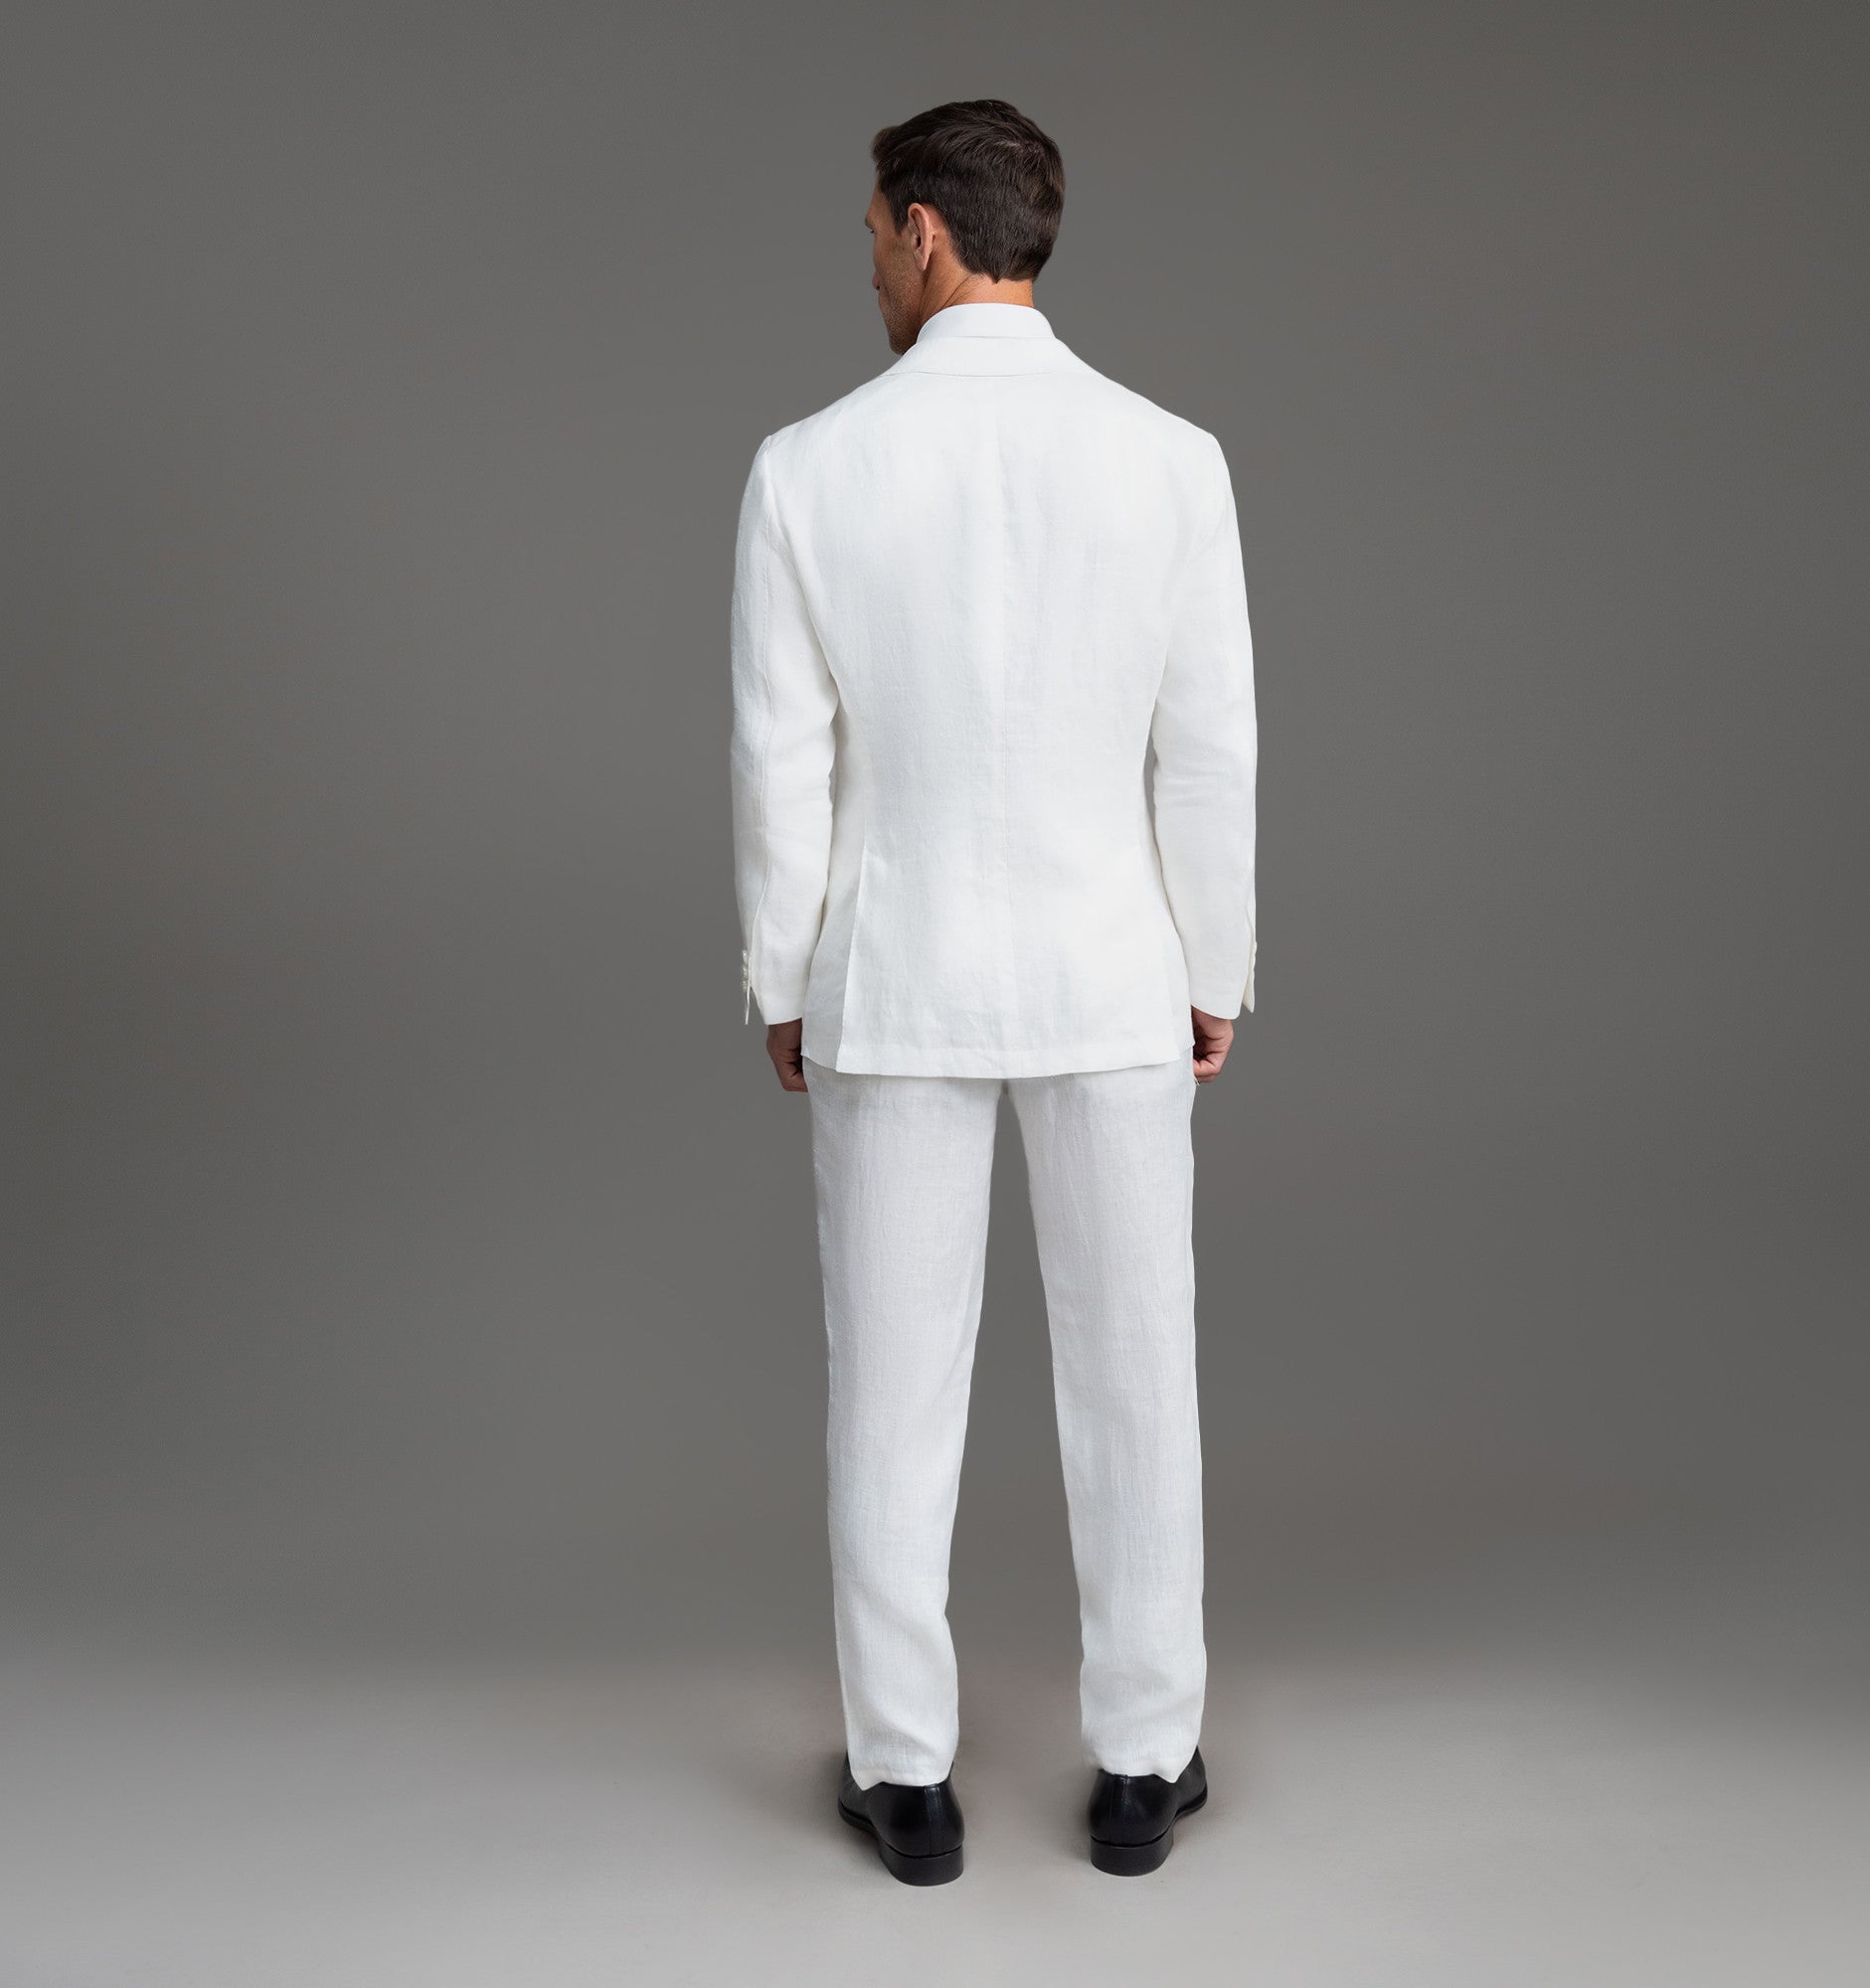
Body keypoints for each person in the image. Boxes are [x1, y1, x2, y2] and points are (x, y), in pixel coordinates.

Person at [729, 98, 1256, 1883]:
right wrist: (1215, 965)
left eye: (874, 238)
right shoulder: (1172, 457)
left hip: (894, 973)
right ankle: (1144, 1764)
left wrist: (783, 975)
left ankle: (908, 1778)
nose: (872, 269)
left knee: (889, 1387)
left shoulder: (810, 465)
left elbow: (780, 765)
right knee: (1139, 1373)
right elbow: (1209, 752)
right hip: (1116, 967)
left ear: (925, 232)